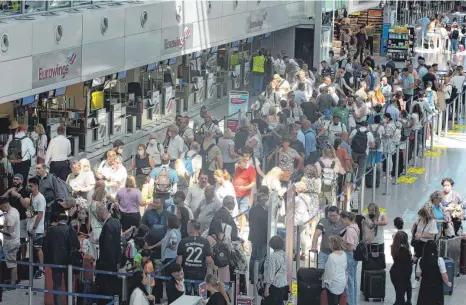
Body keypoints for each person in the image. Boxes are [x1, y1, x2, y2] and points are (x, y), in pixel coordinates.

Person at [43, 213, 80, 305]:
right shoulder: (70, 230)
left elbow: (45, 247)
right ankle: (70, 303)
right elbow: (77, 246)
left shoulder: (50, 230)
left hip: (55, 261)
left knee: (57, 285)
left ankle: (58, 303)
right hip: (68, 261)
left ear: (57, 220)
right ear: (66, 220)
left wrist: (48, 260)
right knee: (69, 285)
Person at [177, 220, 214, 296]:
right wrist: (209, 274)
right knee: (200, 296)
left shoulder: (183, 241)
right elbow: (209, 261)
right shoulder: (205, 242)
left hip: (187, 274)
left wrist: (179, 274)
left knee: (187, 295)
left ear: (191, 228)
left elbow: (179, 261)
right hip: (200, 275)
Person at [96, 203, 121, 305]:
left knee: (107, 285)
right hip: (114, 260)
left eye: (98, 215)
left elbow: (108, 247)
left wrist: (107, 263)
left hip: (108, 262)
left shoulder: (108, 225)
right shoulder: (116, 222)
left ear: (102, 213)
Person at [3, 173, 30, 261]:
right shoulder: (10, 191)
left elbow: (26, 205)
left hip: (21, 220)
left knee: (22, 240)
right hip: (10, 219)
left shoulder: (25, 192)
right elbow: (1, 200)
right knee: (10, 239)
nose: (15, 181)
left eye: (17, 179)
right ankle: (13, 258)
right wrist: (8, 192)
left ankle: (23, 259)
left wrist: (18, 196)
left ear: (22, 181)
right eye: (14, 179)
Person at [415, 240, 452, 305]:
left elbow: (418, 274)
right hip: (436, 287)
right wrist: (448, 283)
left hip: (425, 286)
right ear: (436, 249)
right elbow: (444, 275)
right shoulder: (439, 260)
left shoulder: (420, 259)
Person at [24, 177, 46, 279]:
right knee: (32, 249)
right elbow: (33, 210)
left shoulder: (41, 198)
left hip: (37, 228)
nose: (29, 187)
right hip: (30, 225)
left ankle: (41, 269)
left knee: (38, 248)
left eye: (31, 186)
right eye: (29, 185)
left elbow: (40, 214)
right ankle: (35, 268)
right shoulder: (31, 195)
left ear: (36, 186)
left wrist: (34, 227)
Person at [411, 207, 438, 288]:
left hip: (427, 244)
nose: (420, 218)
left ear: (426, 216)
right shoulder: (419, 220)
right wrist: (413, 230)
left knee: (425, 261)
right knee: (417, 261)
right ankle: (417, 279)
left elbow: (432, 235)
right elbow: (415, 226)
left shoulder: (432, 222)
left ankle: (427, 278)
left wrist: (421, 235)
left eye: (421, 216)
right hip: (418, 243)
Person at [340, 211, 360, 305]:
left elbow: (350, 247)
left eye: (342, 220)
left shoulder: (350, 230)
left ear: (346, 219)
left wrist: (341, 242)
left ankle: (351, 302)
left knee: (350, 280)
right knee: (353, 279)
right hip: (353, 256)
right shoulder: (355, 226)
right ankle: (353, 301)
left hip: (349, 255)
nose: (341, 222)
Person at [248, 191, 269, 281]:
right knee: (260, 258)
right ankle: (256, 276)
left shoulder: (252, 210)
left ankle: (251, 275)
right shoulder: (265, 212)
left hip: (253, 236)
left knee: (253, 256)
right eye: (265, 199)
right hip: (262, 238)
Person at [0, 196, 20, 286]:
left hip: (11, 243)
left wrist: (0, 230)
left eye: (0, 207)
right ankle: (14, 279)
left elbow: (10, 232)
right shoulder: (15, 210)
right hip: (16, 241)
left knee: (12, 265)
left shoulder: (10, 216)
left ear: (4, 206)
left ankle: (13, 284)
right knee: (13, 263)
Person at [322, 235, 347, 305]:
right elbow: (345, 268)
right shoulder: (344, 254)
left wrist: (325, 282)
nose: (329, 244)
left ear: (333, 244)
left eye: (329, 242)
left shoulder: (331, 257)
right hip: (342, 283)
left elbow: (329, 273)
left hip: (333, 285)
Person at [263, 235, 288, 305]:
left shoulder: (272, 257)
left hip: (274, 285)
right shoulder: (284, 255)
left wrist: (266, 288)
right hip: (282, 284)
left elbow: (271, 274)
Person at [390, 231, 413, 305]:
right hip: (402, 275)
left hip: (394, 273)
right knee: (401, 297)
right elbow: (408, 264)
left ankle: (406, 301)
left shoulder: (394, 248)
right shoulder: (405, 251)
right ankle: (407, 301)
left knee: (399, 293)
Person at [206, 217, 232, 283]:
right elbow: (230, 248)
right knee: (224, 285)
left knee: (214, 286)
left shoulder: (209, 238)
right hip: (224, 264)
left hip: (214, 266)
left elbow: (208, 252)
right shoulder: (225, 236)